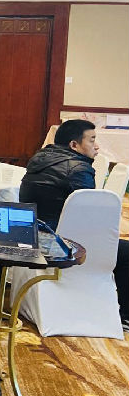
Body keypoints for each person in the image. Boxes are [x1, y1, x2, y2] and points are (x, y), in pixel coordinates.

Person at [20, 119, 129, 329]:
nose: (97, 146)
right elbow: (90, 217)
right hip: (59, 243)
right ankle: (125, 316)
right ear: (74, 145)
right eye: (92, 140)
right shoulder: (78, 169)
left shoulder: (39, 159)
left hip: (32, 234)